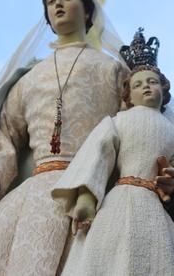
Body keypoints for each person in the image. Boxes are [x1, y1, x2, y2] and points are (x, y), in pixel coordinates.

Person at [0, 0, 129, 275]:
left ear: (86, 11)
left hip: (92, 191)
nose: (57, 3)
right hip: (35, 196)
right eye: (50, 0)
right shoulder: (30, 77)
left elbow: (130, 128)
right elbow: (5, 137)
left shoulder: (112, 69)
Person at [51, 30, 174, 275]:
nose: (146, 87)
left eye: (152, 82)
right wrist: (87, 198)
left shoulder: (172, 128)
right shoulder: (118, 121)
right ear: (128, 95)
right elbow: (98, 154)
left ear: (164, 89)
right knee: (106, 255)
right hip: (119, 200)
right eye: (138, 85)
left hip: (153, 205)